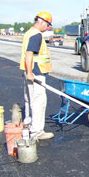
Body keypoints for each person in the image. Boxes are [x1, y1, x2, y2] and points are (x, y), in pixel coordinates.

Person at [20, 11, 54, 140]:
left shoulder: (29, 32)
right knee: (38, 101)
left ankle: (29, 125)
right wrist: (29, 73)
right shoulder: (36, 35)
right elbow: (29, 54)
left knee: (29, 100)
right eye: (47, 25)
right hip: (36, 72)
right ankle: (37, 132)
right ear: (42, 22)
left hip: (31, 71)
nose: (47, 28)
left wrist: (27, 71)